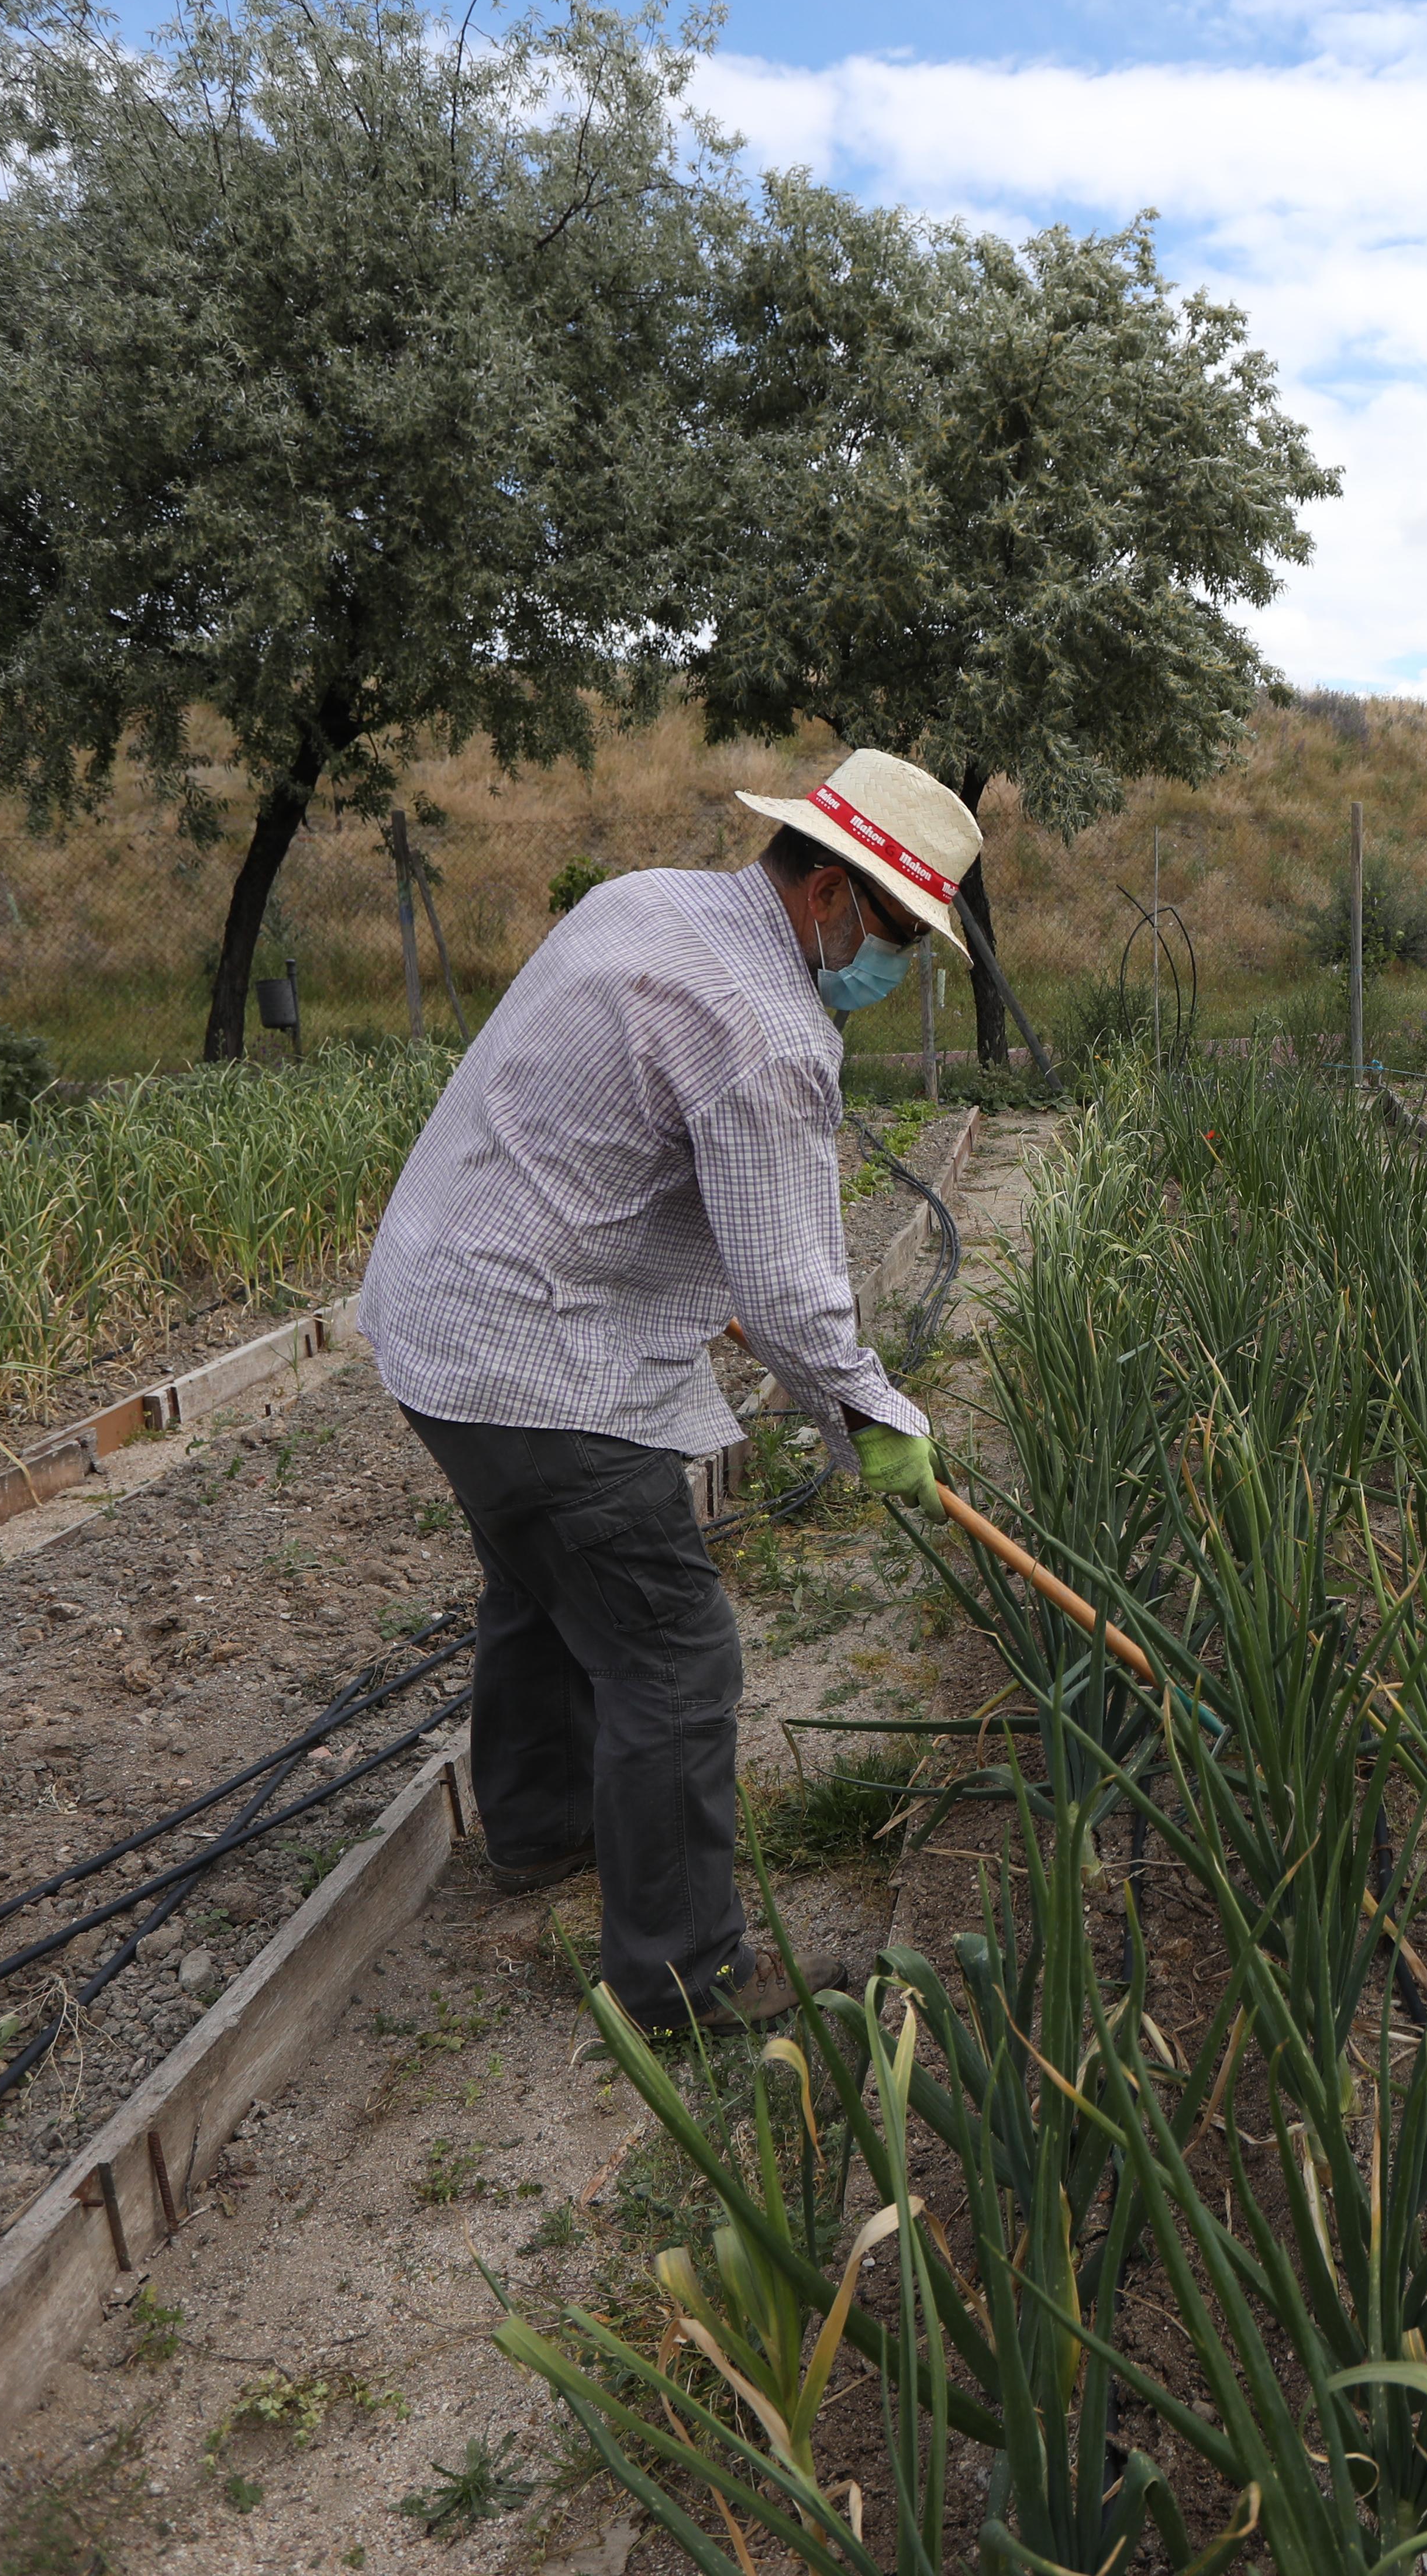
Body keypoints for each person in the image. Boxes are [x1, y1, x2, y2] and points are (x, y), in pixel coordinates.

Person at [360, 748, 976, 2034]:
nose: (897, 963)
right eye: (902, 932)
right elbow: (802, 1295)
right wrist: (875, 1415)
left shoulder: (647, 900)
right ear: (831, 897)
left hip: (437, 1317)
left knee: (538, 1580)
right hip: (533, 1356)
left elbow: (624, 1134)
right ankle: (687, 1975)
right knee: (673, 1654)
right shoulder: (761, 1024)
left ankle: (540, 1827)